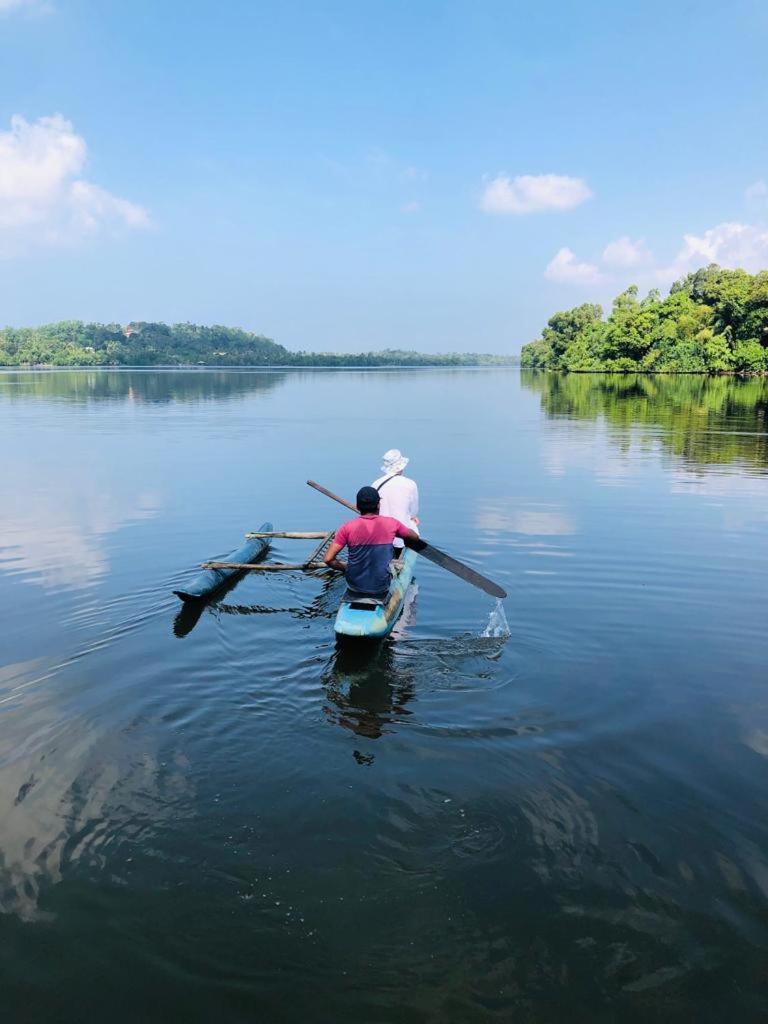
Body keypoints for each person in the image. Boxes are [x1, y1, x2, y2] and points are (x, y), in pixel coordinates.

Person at [324, 486, 418, 596]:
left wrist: (346, 568)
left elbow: (328, 559)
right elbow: (414, 538)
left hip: (354, 586)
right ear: (378, 505)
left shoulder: (346, 527)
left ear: (357, 507)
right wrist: (412, 525)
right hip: (381, 587)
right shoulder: (392, 524)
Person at [371, 449, 419, 559]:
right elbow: (413, 511)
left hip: (380, 537)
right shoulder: (410, 484)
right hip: (401, 538)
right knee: (413, 525)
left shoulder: (375, 484)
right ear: (402, 466)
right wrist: (412, 517)